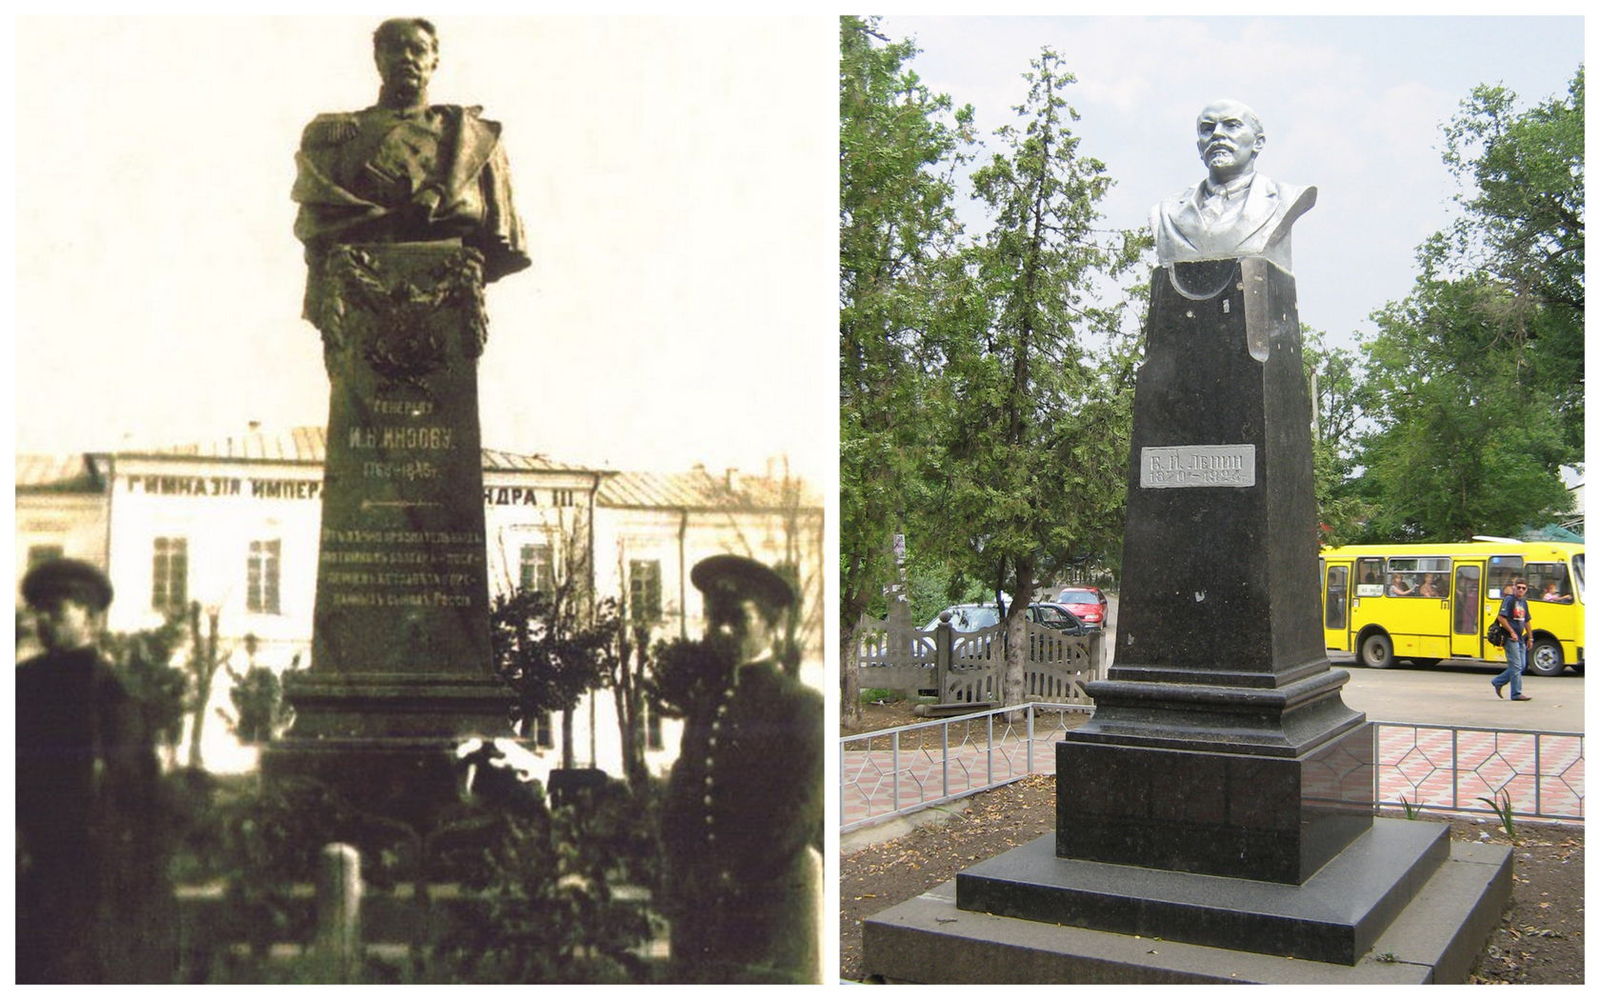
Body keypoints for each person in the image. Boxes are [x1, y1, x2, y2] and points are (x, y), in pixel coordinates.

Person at [291, 17, 530, 326]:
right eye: (395, 49)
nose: (406, 58)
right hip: (357, 290)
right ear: (378, 58)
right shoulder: (338, 137)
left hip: (449, 283)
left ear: (434, 61)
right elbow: (319, 221)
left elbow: (476, 215)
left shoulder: (470, 138)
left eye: (417, 49)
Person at [660, 555, 823, 983]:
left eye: (738, 619)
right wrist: (684, 870)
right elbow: (684, 797)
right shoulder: (708, 705)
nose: (723, 631)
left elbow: (798, 813)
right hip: (704, 908)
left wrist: (736, 875)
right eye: (715, 619)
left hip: (766, 909)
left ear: (771, 625)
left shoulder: (799, 706)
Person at [15, 559, 174, 982]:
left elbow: (129, 777)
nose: (44, 621)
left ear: (90, 618)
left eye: (58, 611)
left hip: (83, 855)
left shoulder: (107, 686)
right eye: (39, 611)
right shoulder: (21, 681)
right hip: (25, 846)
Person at [1150, 99, 1317, 271]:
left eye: (1231, 125)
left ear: (1257, 142)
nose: (1217, 134)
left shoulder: (1285, 198)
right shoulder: (1165, 212)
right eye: (1208, 129)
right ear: (1200, 148)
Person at [1491, 578, 1534, 701]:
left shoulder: (1523, 602)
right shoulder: (1509, 600)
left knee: (1522, 665)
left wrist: (1530, 637)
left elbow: (1527, 620)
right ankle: (1516, 694)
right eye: (1518, 587)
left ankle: (1498, 681)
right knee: (1516, 666)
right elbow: (1501, 617)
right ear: (1514, 587)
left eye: (1523, 588)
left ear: (1526, 590)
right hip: (1510, 638)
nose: (1520, 590)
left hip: (1520, 638)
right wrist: (1511, 632)